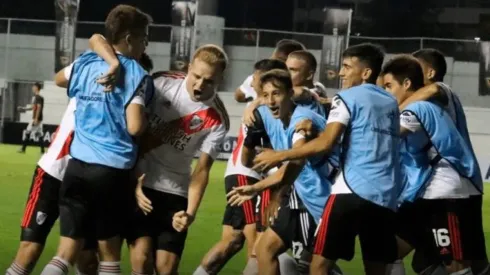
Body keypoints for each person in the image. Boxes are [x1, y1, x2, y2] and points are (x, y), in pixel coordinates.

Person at [252, 43, 401, 275]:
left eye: (347, 67)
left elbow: (327, 143)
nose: (341, 73)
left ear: (366, 72)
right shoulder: (391, 102)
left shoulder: (347, 97)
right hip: (386, 195)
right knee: (376, 268)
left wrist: (279, 155)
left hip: (350, 190)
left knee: (319, 266)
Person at [40, 5, 154, 275]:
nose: (144, 45)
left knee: (64, 252)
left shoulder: (85, 62)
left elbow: (58, 79)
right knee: (109, 253)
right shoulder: (137, 74)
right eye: (143, 38)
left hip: (76, 168)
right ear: (128, 39)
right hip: (110, 172)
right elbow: (135, 126)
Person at [128, 44, 230, 274]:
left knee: (167, 268)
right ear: (189, 67)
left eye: (209, 81)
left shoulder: (218, 118)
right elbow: (133, 131)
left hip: (176, 193)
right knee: (141, 260)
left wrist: (190, 213)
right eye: (197, 76)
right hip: (142, 185)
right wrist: (133, 182)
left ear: (220, 79)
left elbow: (202, 169)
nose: (200, 85)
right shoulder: (160, 82)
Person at [227, 69, 341, 275]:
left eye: (276, 94)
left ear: (290, 93)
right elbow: (291, 165)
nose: (270, 101)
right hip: (301, 196)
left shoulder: (301, 120)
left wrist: (278, 158)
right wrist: (257, 187)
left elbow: (297, 158)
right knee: (264, 250)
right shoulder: (272, 117)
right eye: (265, 95)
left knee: (316, 268)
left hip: (320, 200)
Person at [381, 54, 485, 275]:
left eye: (389, 86)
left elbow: (387, 135)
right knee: (391, 251)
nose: (386, 93)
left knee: (457, 263)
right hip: (426, 191)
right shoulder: (427, 106)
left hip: (446, 190)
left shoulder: (426, 102)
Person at [195, 59, 289, 275]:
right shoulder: (266, 107)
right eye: (255, 79)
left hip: (242, 173)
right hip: (249, 175)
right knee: (258, 242)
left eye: (256, 79)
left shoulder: (264, 101)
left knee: (232, 241)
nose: (252, 83)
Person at [18, 82, 45, 154]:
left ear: (37, 88)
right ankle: (42, 151)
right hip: (39, 118)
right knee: (39, 134)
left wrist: (36, 119)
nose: (32, 88)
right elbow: (33, 107)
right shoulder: (36, 97)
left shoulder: (38, 97)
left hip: (36, 118)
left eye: (34, 87)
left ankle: (23, 149)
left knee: (28, 131)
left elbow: (39, 108)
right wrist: (23, 108)